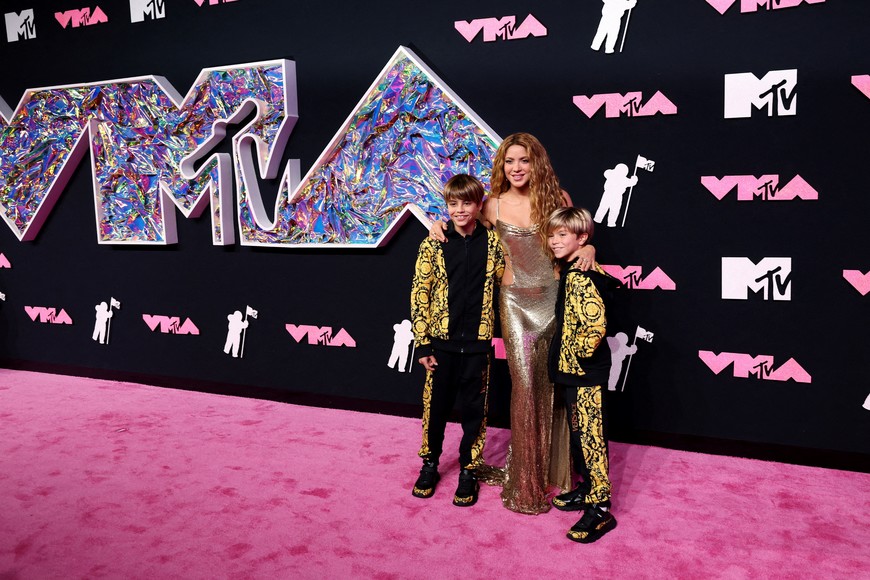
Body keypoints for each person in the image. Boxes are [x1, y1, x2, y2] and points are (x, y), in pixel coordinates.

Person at [429, 133, 596, 514]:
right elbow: (462, 225)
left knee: (553, 387)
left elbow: (575, 237)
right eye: (509, 161)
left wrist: (589, 247)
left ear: (537, 162)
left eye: (523, 160)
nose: (516, 168)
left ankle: (554, 471)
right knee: (524, 387)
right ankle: (526, 476)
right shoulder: (492, 205)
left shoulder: (558, 200)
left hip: (553, 301)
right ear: (501, 166)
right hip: (515, 304)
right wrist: (436, 226)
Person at [411, 174, 506, 507]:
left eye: (467, 203)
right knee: (434, 409)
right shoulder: (434, 241)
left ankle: (469, 468)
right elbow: (419, 294)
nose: (460, 210)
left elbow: (512, 279)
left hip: (479, 346)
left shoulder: (494, 243)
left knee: (474, 412)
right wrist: (422, 343)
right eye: (453, 204)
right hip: (441, 345)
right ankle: (430, 463)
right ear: (446, 206)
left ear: (479, 205)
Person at [546, 207, 619, 543]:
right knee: (580, 435)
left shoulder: (581, 275)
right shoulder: (574, 269)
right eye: (552, 234)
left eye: (563, 235)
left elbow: (596, 325)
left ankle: (601, 508)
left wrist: (576, 355)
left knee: (591, 438)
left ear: (582, 238)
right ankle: (588, 489)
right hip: (575, 373)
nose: (554, 240)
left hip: (585, 373)